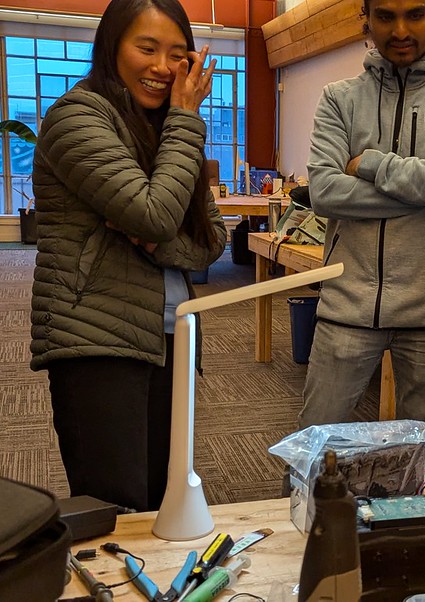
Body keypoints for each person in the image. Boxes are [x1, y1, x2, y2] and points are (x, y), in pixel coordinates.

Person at [30, 0, 227, 511]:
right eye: (147, 48)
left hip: (168, 335)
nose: (163, 68)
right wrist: (186, 120)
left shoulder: (162, 127)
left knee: (163, 501)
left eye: (178, 55)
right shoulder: (76, 117)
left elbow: (210, 241)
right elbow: (159, 215)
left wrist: (155, 240)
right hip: (97, 337)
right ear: (112, 46)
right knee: (114, 511)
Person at [299, 0, 425, 431]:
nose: (401, 29)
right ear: (368, 19)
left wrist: (369, 164)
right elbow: (326, 192)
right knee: (312, 447)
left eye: (415, 14)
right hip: (346, 306)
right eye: (386, 16)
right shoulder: (340, 97)